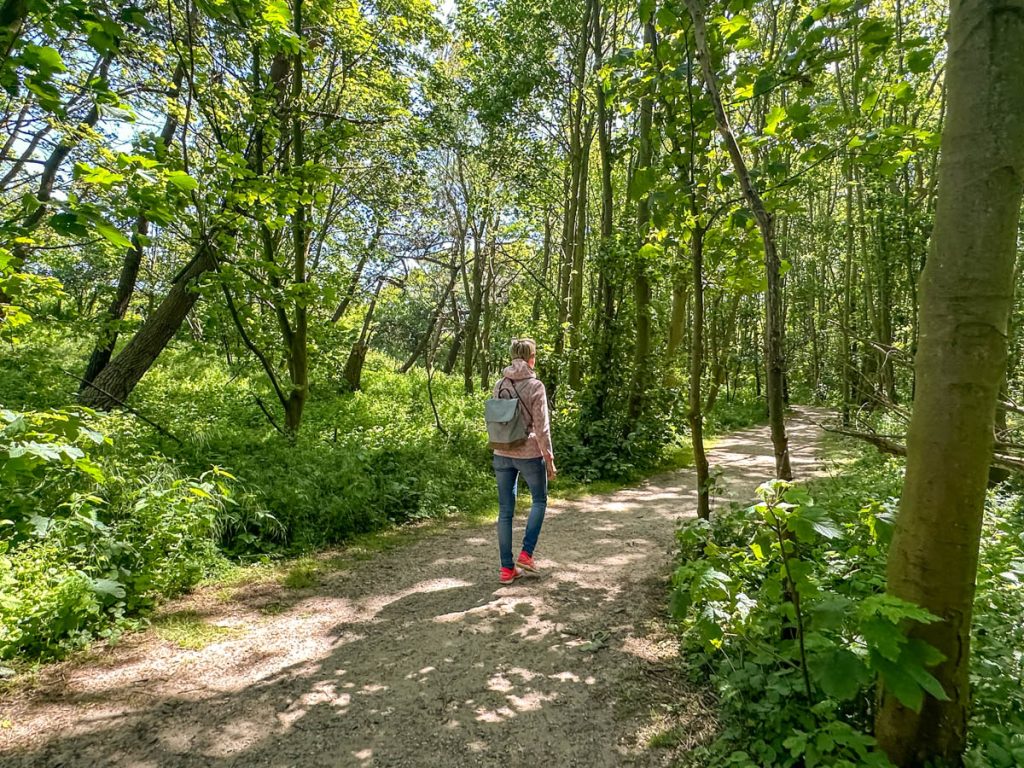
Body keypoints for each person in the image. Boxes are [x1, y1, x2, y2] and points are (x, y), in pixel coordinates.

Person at [492, 337, 556, 585]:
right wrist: (549, 458)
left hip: (502, 451)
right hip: (529, 453)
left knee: (505, 511)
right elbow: (542, 428)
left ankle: (506, 570)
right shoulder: (535, 385)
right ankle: (526, 554)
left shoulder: (499, 384)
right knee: (539, 500)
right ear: (531, 358)